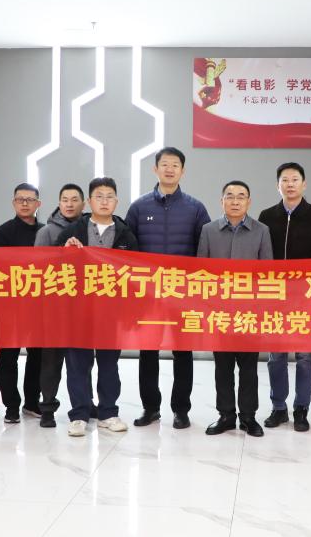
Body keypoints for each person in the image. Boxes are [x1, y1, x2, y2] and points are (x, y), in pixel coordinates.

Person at [125, 147, 211, 429]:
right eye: (165, 164)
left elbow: (204, 251)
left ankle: (181, 410)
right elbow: (127, 250)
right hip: (148, 294)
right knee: (147, 351)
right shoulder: (139, 207)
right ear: (155, 169)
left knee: (183, 352)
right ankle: (150, 408)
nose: (170, 169)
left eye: (175, 165)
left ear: (182, 171)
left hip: (181, 294)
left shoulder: (195, 208)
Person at [57, 177, 139, 437]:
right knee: (77, 364)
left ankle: (108, 413)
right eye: (99, 196)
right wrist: (65, 250)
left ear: (117, 201)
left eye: (109, 196)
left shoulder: (126, 235)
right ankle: (79, 414)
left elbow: (135, 275)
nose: (104, 201)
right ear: (89, 201)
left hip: (111, 313)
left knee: (109, 364)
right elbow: (53, 267)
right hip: (77, 310)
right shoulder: (72, 232)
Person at [258, 162, 311, 432]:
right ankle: (278, 407)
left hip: (306, 299)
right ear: (277, 185)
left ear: (304, 184)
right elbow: (262, 258)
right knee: (276, 357)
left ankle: (302, 408)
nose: (289, 184)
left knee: (305, 357)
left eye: (294, 179)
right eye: (284, 180)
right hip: (275, 298)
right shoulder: (267, 216)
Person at [199, 180, 273, 438]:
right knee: (223, 367)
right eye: (229, 196)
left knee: (249, 368)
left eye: (241, 196)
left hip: (249, 312)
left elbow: (267, 273)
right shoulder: (208, 230)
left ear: (249, 202)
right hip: (219, 312)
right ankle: (226, 415)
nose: (235, 201)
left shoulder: (261, 231)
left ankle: (249, 417)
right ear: (222, 201)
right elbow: (201, 272)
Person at [0, 183, 45, 423]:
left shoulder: (46, 233)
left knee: (38, 355)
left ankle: (32, 402)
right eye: (20, 199)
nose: (24, 203)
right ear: (13, 203)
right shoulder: (1, 234)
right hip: (10, 305)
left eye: (30, 199)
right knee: (9, 356)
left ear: (38, 204)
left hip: (39, 305)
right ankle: (11, 405)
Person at [34, 183, 87, 428]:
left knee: (82, 361)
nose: (69, 204)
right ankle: (47, 408)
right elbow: (38, 267)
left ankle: (85, 404)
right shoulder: (46, 232)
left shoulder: (89, 228)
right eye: (65, 199)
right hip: (54, 307)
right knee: (51, 361)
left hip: (82, 306)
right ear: (58, 203)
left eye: (74, 200)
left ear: (83, 203)